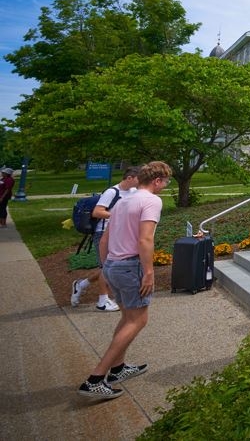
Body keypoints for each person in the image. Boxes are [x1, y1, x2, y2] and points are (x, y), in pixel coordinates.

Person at [77, 161, 172, 400]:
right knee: (138, 320)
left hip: (112, 264)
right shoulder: (151, 201)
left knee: (127, 317)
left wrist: (106, 267)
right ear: (157, 180)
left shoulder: (122, 201)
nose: (165, 186)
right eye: (165, 182)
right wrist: (149, 273)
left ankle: (118, 368)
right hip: (131, 266)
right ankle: (95, 379)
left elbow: (104, 240)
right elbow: (145, 239)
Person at [71, 166, 140, 311]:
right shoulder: (112, 192)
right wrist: (119, 215)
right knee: (106, 267)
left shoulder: (134, 191)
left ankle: (81, 285)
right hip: (103, 232)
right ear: (129, 178)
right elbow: (97, 212)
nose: (141, 182)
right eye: (139, 179)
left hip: (120, 232)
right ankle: (102, 301)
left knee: (112, 266)